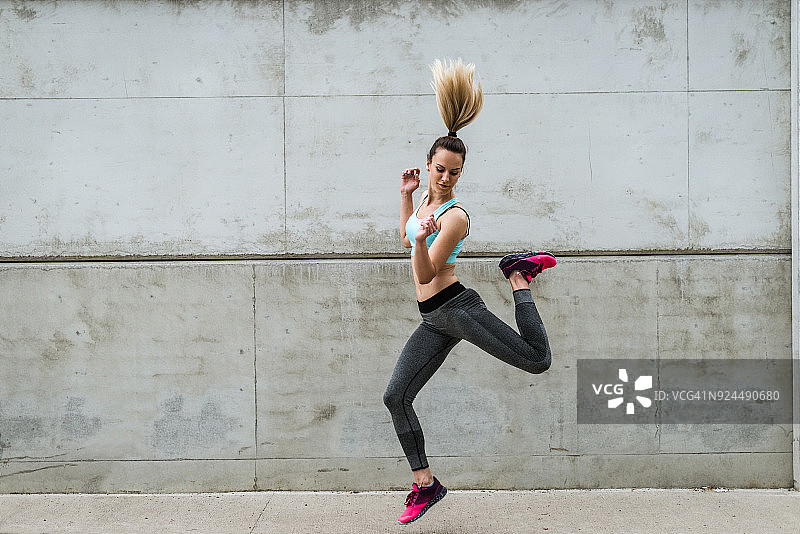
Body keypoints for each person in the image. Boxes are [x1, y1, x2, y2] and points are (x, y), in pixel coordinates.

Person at [383, 59, 557, 525]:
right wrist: (406, 198)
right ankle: (426, 483)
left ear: (461, 174)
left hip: (458, 310)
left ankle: (518, 276)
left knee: (538, 361)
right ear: (428, 165)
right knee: (395, 397)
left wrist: (421, 236)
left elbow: (424, 271)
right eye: (439, 169)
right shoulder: (426, 201)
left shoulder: (454, 216)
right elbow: (405, 238)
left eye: (454, 173)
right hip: (433, 320)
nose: (445, 178)